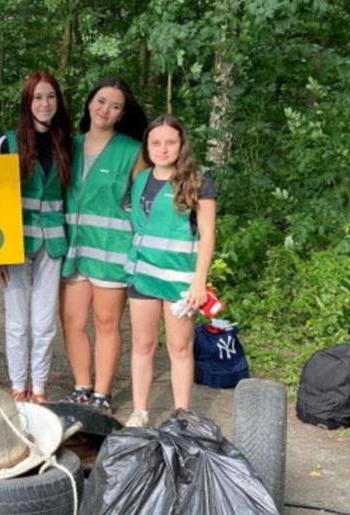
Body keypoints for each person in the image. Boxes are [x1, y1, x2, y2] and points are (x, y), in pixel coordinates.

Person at [124, 114, 216, 427]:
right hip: (143, 276)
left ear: (181, 144)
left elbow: (207, 235)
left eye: (170, 142)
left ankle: (181, 414)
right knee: (143, 345)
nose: (162, 149)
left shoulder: (198, 181)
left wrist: (199, 282)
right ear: (147, 146)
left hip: (179, 280)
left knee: (179, 347)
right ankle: (140, 411)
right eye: (156, 142)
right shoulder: (140, 179)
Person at [61, 78, 147, 414]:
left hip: (112, 251)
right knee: (72, 322)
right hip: (74, 250)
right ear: (89, 102)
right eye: (100, 101)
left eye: (115, 106)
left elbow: (144, 202)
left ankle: (102, 393)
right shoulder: (68, 145)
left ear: (122, 113)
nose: (105, 110)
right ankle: (82, 387)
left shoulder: (132, 150)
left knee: (106, 324)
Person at [0, 71, 73, 403]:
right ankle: (18, 384)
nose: (44, 103)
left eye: (50, 96)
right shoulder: (8, 143)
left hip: (53, 240)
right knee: (17, 319)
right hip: (15, 239)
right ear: (27, 102)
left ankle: (39, 386)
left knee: (44, 320)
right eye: (38, 97)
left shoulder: (66, 141)